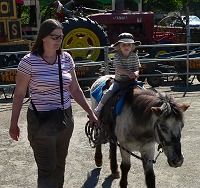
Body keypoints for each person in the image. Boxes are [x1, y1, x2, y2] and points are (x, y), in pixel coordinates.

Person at [9, 19, 98, 188]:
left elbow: (75, 89)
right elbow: (19, 94)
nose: (59, 41)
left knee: (60, 164)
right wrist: (14, 123)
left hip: (65, 118)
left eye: (61, 37)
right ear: (43, 37)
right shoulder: (28, 62)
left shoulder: (66, 59)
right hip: (40, 120)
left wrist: (90, 113)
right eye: (55, 37)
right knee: (47, 169)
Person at [94, 32, 141, 117]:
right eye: (124, 45)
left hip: (132, 81)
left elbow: (137, 68)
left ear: (132, 46)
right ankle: (98, 108)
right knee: (109, 92)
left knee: (145, 93)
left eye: (129, 45)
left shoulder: (135, 56)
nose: (126, 47)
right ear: (119, 46)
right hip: (119, 82)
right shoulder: (117, 56)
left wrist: (136, 73)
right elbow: (118, 68)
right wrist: (129, 73)